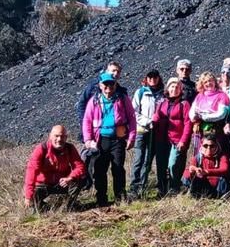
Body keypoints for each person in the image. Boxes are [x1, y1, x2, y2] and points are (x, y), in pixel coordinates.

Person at [81, 72, 138, 207]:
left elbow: (132, 118)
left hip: (117, 139)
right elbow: (87, 121)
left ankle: (120, 197)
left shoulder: (123, 99)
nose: (108, 87)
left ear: (115, 84)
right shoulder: (94, 101)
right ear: (100, 85)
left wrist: (131, 136)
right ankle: (101, 198)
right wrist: (88, 140)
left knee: (118, 168)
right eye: (105, 84)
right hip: (100, 140)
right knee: (100, 170)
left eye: (111, 84)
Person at [23, 125, 85, 212]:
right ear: (50, 136)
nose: (59, 139)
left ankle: (69, 204)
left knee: (80, 179)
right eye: (56, 136)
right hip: (43, 184)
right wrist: (28, 196)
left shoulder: (70, 148)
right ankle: (51, 208)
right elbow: (31, 172)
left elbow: (79, 166)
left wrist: (70, 177)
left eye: (62, 136)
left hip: (62, 183)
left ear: (66, 137)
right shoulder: (41, 149)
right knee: (32, 200)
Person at [153, 77, 192, 197]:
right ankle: (162, 188)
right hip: (161, 139)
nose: (174, 89)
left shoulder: (184, 104)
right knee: (161, 165)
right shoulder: (161, 103)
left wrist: (183, 141)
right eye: (172, 86)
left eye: (177, 87)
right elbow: (156, 117)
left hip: (177, 140)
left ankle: (174, 187)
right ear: (167, 88)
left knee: (173, 164)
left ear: (181, 89)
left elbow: (188, 124)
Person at [129, 70, 163, 199]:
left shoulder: (162, 94)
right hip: (142, 130)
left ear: (159, 78)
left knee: (148, 160)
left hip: (155, 132)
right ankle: (134, 187)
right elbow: (134, 112)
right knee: (138, 159)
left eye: (155, 77)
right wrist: (147, 122)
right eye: (150, 77)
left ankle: (142, 187)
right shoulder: (141, 92)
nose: (153, 79)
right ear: (147, 79)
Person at [190, 71, 230, 158]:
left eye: (210, 81)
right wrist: (194, 117)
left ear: (215, 82)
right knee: (200, 153)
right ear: (202, 84)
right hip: (200, 129)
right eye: (205, 82)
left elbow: (221, 114)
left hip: (217, 129)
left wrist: (203, 116)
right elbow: (192, 112)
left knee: (217, 152)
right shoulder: (199, 96)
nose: (208, 83)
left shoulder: (222, 96)